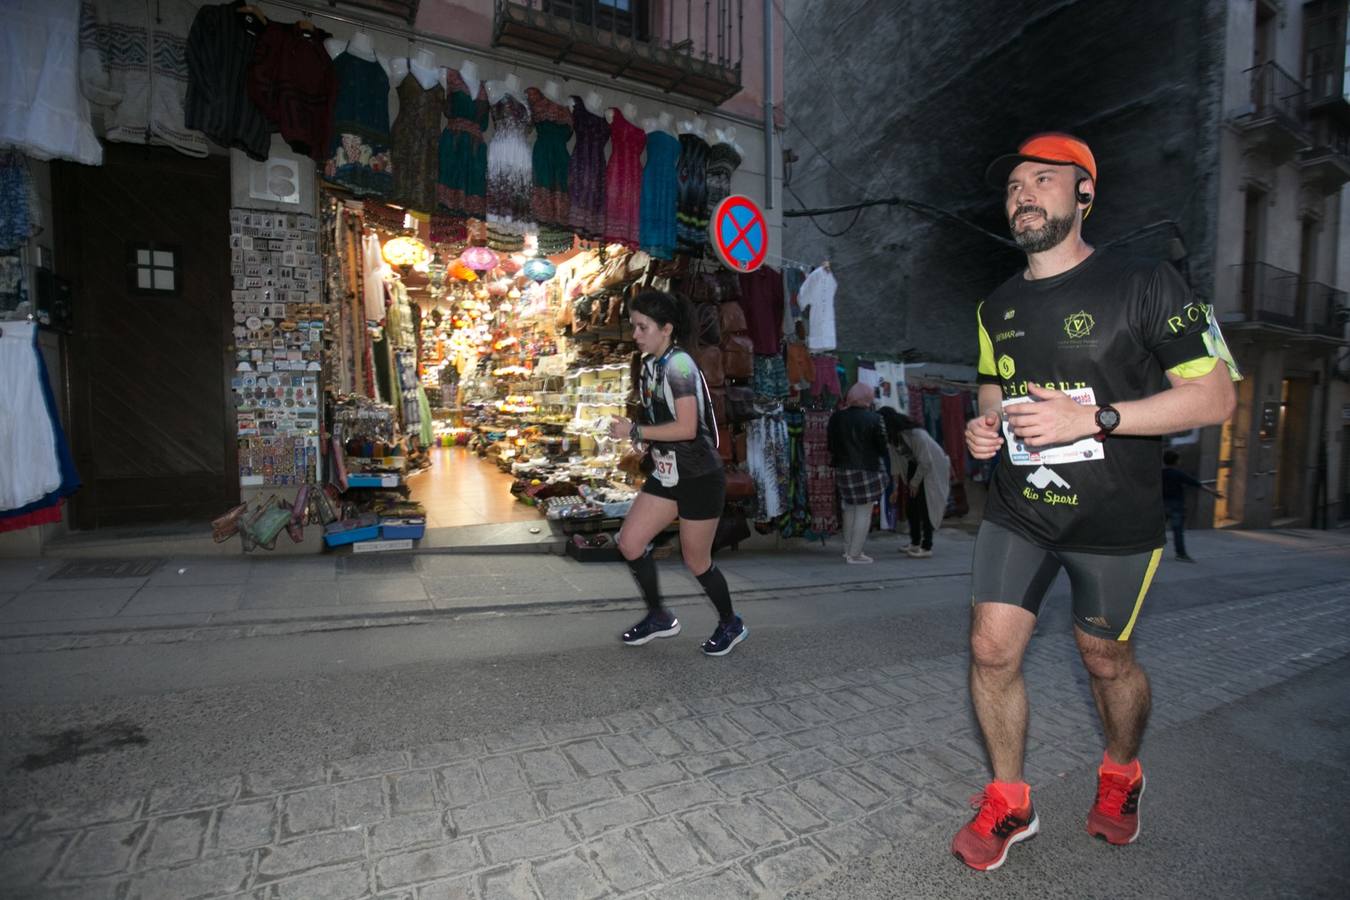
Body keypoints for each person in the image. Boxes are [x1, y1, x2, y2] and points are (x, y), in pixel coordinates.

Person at [954, 132, 1238, 871]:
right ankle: (1011, 799)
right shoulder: (997, 305)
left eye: (1043, 180)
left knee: (1104, 658)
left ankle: (1120, 775)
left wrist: (1097, 418)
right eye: (1015, 184)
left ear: (1085, 194)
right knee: (990, 648)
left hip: (1114, 515)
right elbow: (995, 382)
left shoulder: (1148, 284)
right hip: (1021, 506)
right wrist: (985, 423)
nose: (1023, 193)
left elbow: (1215, 397)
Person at [607, 290, 748, 657]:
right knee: (630, 542)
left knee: (696, 561)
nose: (635, 334)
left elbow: (687, 427)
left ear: (666, 329)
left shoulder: (679, 365)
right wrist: (645, 440)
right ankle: (659, 617)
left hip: (700, 477)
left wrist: (636, 432)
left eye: (643, 327)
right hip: (669, 475)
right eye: (634, 325)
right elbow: (666, 424)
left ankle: (731, 623)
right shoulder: (650, 365)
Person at [827, 383, 890, 564]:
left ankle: (847, 550)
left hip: (843, 468)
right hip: (868, 469)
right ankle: (855, 554)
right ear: (868, 398)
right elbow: (882, 447)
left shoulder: (836, 417)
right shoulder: (875, 418)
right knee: (864, 511)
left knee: (849, 509)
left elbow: (831, 445)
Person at [879, 408, 951, 558]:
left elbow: (926, 462)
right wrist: (896, 488)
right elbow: (895, 465)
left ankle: (927, 546)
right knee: (911, 508)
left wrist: (915, 483)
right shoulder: (893, 437)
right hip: (916, 466)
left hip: (932, 468)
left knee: (926, 505)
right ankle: (915, 542)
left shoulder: (916, 434)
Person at [1161, 449, 1221, 562]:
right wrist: (1213, 492)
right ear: (1176, 461)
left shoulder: (1160, 474)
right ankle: (1181, 554)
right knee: (1177, 531)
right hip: (1176, 506)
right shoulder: (1178, 474)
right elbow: (1197, 484)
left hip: (1162, 505)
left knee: (1156, 531)